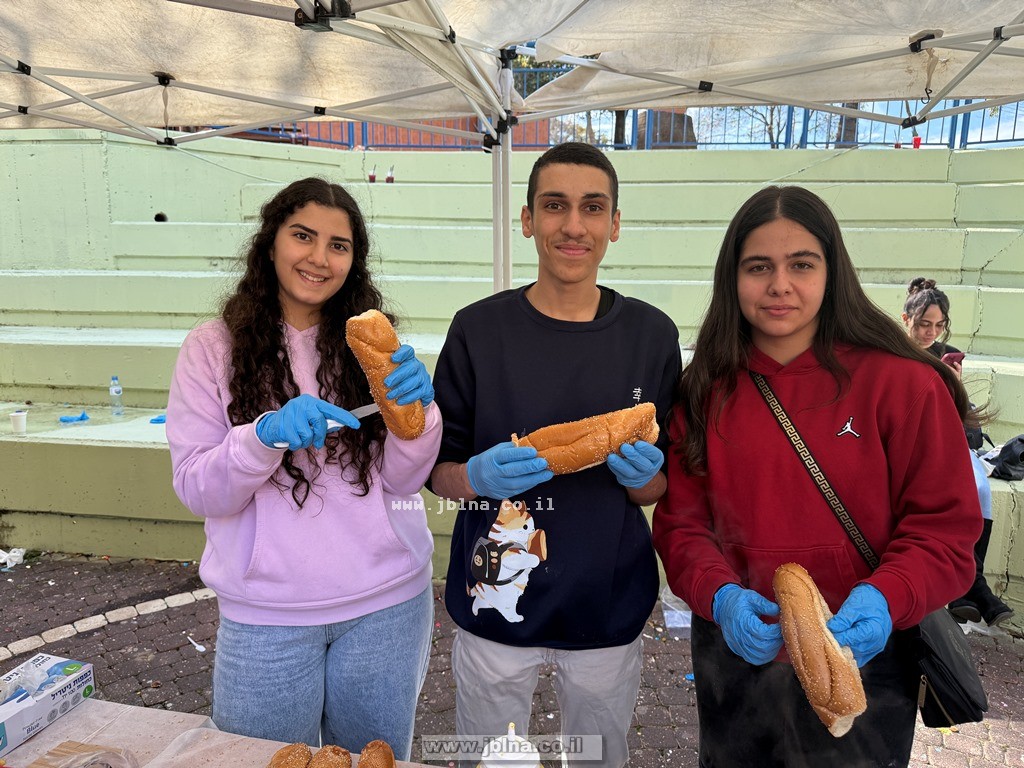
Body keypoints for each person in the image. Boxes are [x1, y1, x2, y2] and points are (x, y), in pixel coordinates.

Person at [652, 186, 981, 767]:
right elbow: (683, 525)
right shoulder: (704, 388)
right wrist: (720, 595)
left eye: (801, 264)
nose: (780, 285)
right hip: (736, 662)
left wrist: (886, 597)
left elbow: (944, 530)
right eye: (759, 267)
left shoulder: (904, 384)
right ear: (733, 278)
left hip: (865, 663)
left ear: (833, 272)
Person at [166, 178, 440, 758]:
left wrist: (420, 414)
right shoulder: (211, 349)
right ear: (271, 243)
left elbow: (403, 480)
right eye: (303, 236)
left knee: (375, 761)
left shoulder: (369, 344)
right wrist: (261, 437)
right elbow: (198, 489)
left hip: (387, 606)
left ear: (353, 261)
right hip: (266, 618)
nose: (319, 257)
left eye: (339, 245)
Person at [429, 142, 681, 767]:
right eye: (554, 206)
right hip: (494, 596)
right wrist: (476, 476)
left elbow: (660, 487)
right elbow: (437, 472)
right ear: (527, 220)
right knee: (489, 760)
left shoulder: (652, 335)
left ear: (615, 224)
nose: (573, 225)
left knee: (598, 759)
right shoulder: (477, 330)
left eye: (592, 208)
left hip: (606, 603)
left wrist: (646, 479)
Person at [902, 277, 1013, 627]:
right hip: (907, 443)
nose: (931, 333)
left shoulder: (944, 355)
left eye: (939, 326)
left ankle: (971, 586)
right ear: (906, 319)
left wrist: (955, 386)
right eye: (924, 324)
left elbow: (966, 427)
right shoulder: (891, 353)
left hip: (944, 441)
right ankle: (969, 588)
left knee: (979, 486)